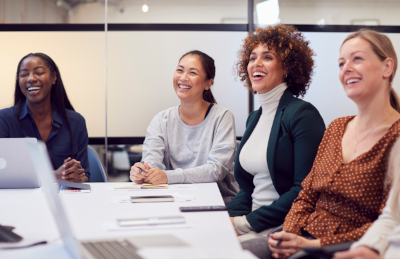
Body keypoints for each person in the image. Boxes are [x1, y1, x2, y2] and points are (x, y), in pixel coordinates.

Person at [241, 29, 400, 259]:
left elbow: (388, 221)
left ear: (387, 67)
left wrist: (311, 246)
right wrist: (289, 233)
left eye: (357, 58)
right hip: (301, 235)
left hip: (341, 247)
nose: (346, 68)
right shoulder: (337, 128)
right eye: (341, 63)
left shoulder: (395, 137)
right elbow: (306, 193)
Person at [226, 24, 326, 242]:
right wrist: (223, 216)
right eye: (252, 58)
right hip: (252, 223)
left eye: (268, 57)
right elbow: (248, 189)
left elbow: (304, 190)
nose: (256, 64)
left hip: (283, 228)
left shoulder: (302, 114)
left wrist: (244, 223)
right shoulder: (255, 117)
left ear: (287, 67)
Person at [129, 50, 238, 203]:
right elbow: (151, 162)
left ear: (208, 83)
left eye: (192, 73)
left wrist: (167, 176)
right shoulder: (161, 119)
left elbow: (216, 170)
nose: (183, 77)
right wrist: (143, 172)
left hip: (217, 201)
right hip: (172, 199)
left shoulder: (222, 116)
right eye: (179, 70)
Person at [0, 53, 89, 183]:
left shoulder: (76, 122)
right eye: (24, 74)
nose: (31, 78)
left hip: (66, 200)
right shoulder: (4, 120)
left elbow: (85, 176)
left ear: (54, 78)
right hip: (19, 200)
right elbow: (3, 174)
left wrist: (76, 176)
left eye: (39, 72)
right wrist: (55, 175)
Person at [333, 138, 400, 259]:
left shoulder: (394, 134)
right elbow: (392, 217)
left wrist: (316, 244)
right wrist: (366, 247)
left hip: (342, 236)